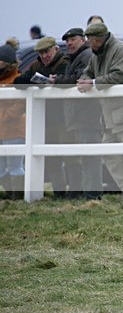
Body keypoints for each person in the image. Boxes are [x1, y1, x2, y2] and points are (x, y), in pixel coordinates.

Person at [77, 23, 123, 198]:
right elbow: (87, 72)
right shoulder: (97, 54)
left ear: (97, 39)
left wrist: (93, 83)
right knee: (108, 152)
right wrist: (85, 80)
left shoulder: (121, 50)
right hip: (108, 116)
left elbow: (119, 76)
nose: (89, 45)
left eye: (90, 41)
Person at [15, 36, 70, 197]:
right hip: (46, 119)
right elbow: (19, 81)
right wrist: (37, 81)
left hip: (64, 118)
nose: (44, 56)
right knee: (52, 159)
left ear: (56, 49)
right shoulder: (37, 64)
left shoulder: (64, 63)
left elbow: (63, 80)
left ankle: (75, 192)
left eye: (47, 52)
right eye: (41, 53)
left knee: (71, 158)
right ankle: (59, 193)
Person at [53, 28, 103, 199]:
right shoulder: (75, 58)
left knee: (90, 156)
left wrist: (57, 81)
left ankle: (92, 193)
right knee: (85, 155)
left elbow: (80, 79)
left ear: (83, 40)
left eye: (73, 39)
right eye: (67, 40)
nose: (69, 43)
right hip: (79, 115)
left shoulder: (86, 56)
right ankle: (88, 191)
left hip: (86, 114)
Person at [0, 42, 25, 199]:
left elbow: (21, 103)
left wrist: (5, 115)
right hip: (2, 129)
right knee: (1, 168)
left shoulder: (17, 79)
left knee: (16, 166)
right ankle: (11, 195)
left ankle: (19, 196)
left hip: (14, 129)